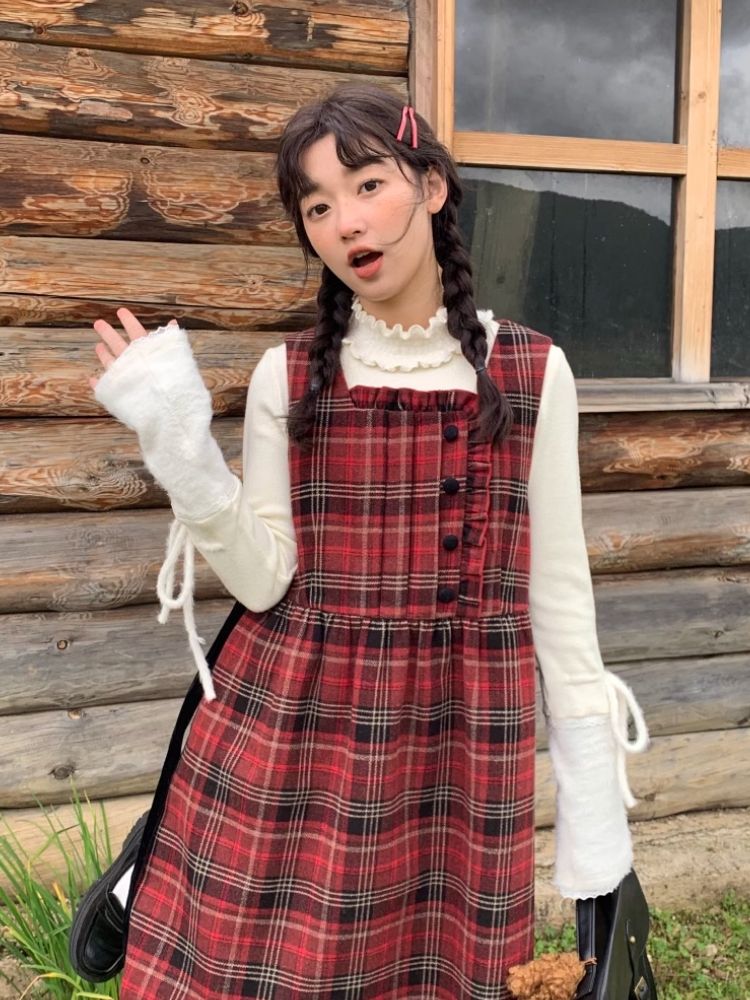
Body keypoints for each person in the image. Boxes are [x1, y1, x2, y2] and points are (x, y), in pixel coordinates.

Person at [80, 82, 649, 999]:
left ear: (431, 186)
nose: (346, 222)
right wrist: (180, 448)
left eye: (368, 185)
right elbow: (262, 583)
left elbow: (560, 601)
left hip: (461, 751)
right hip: (294, 737)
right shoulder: (287, 376)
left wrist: (596, 838)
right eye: (317, 207)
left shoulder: (533, 372)